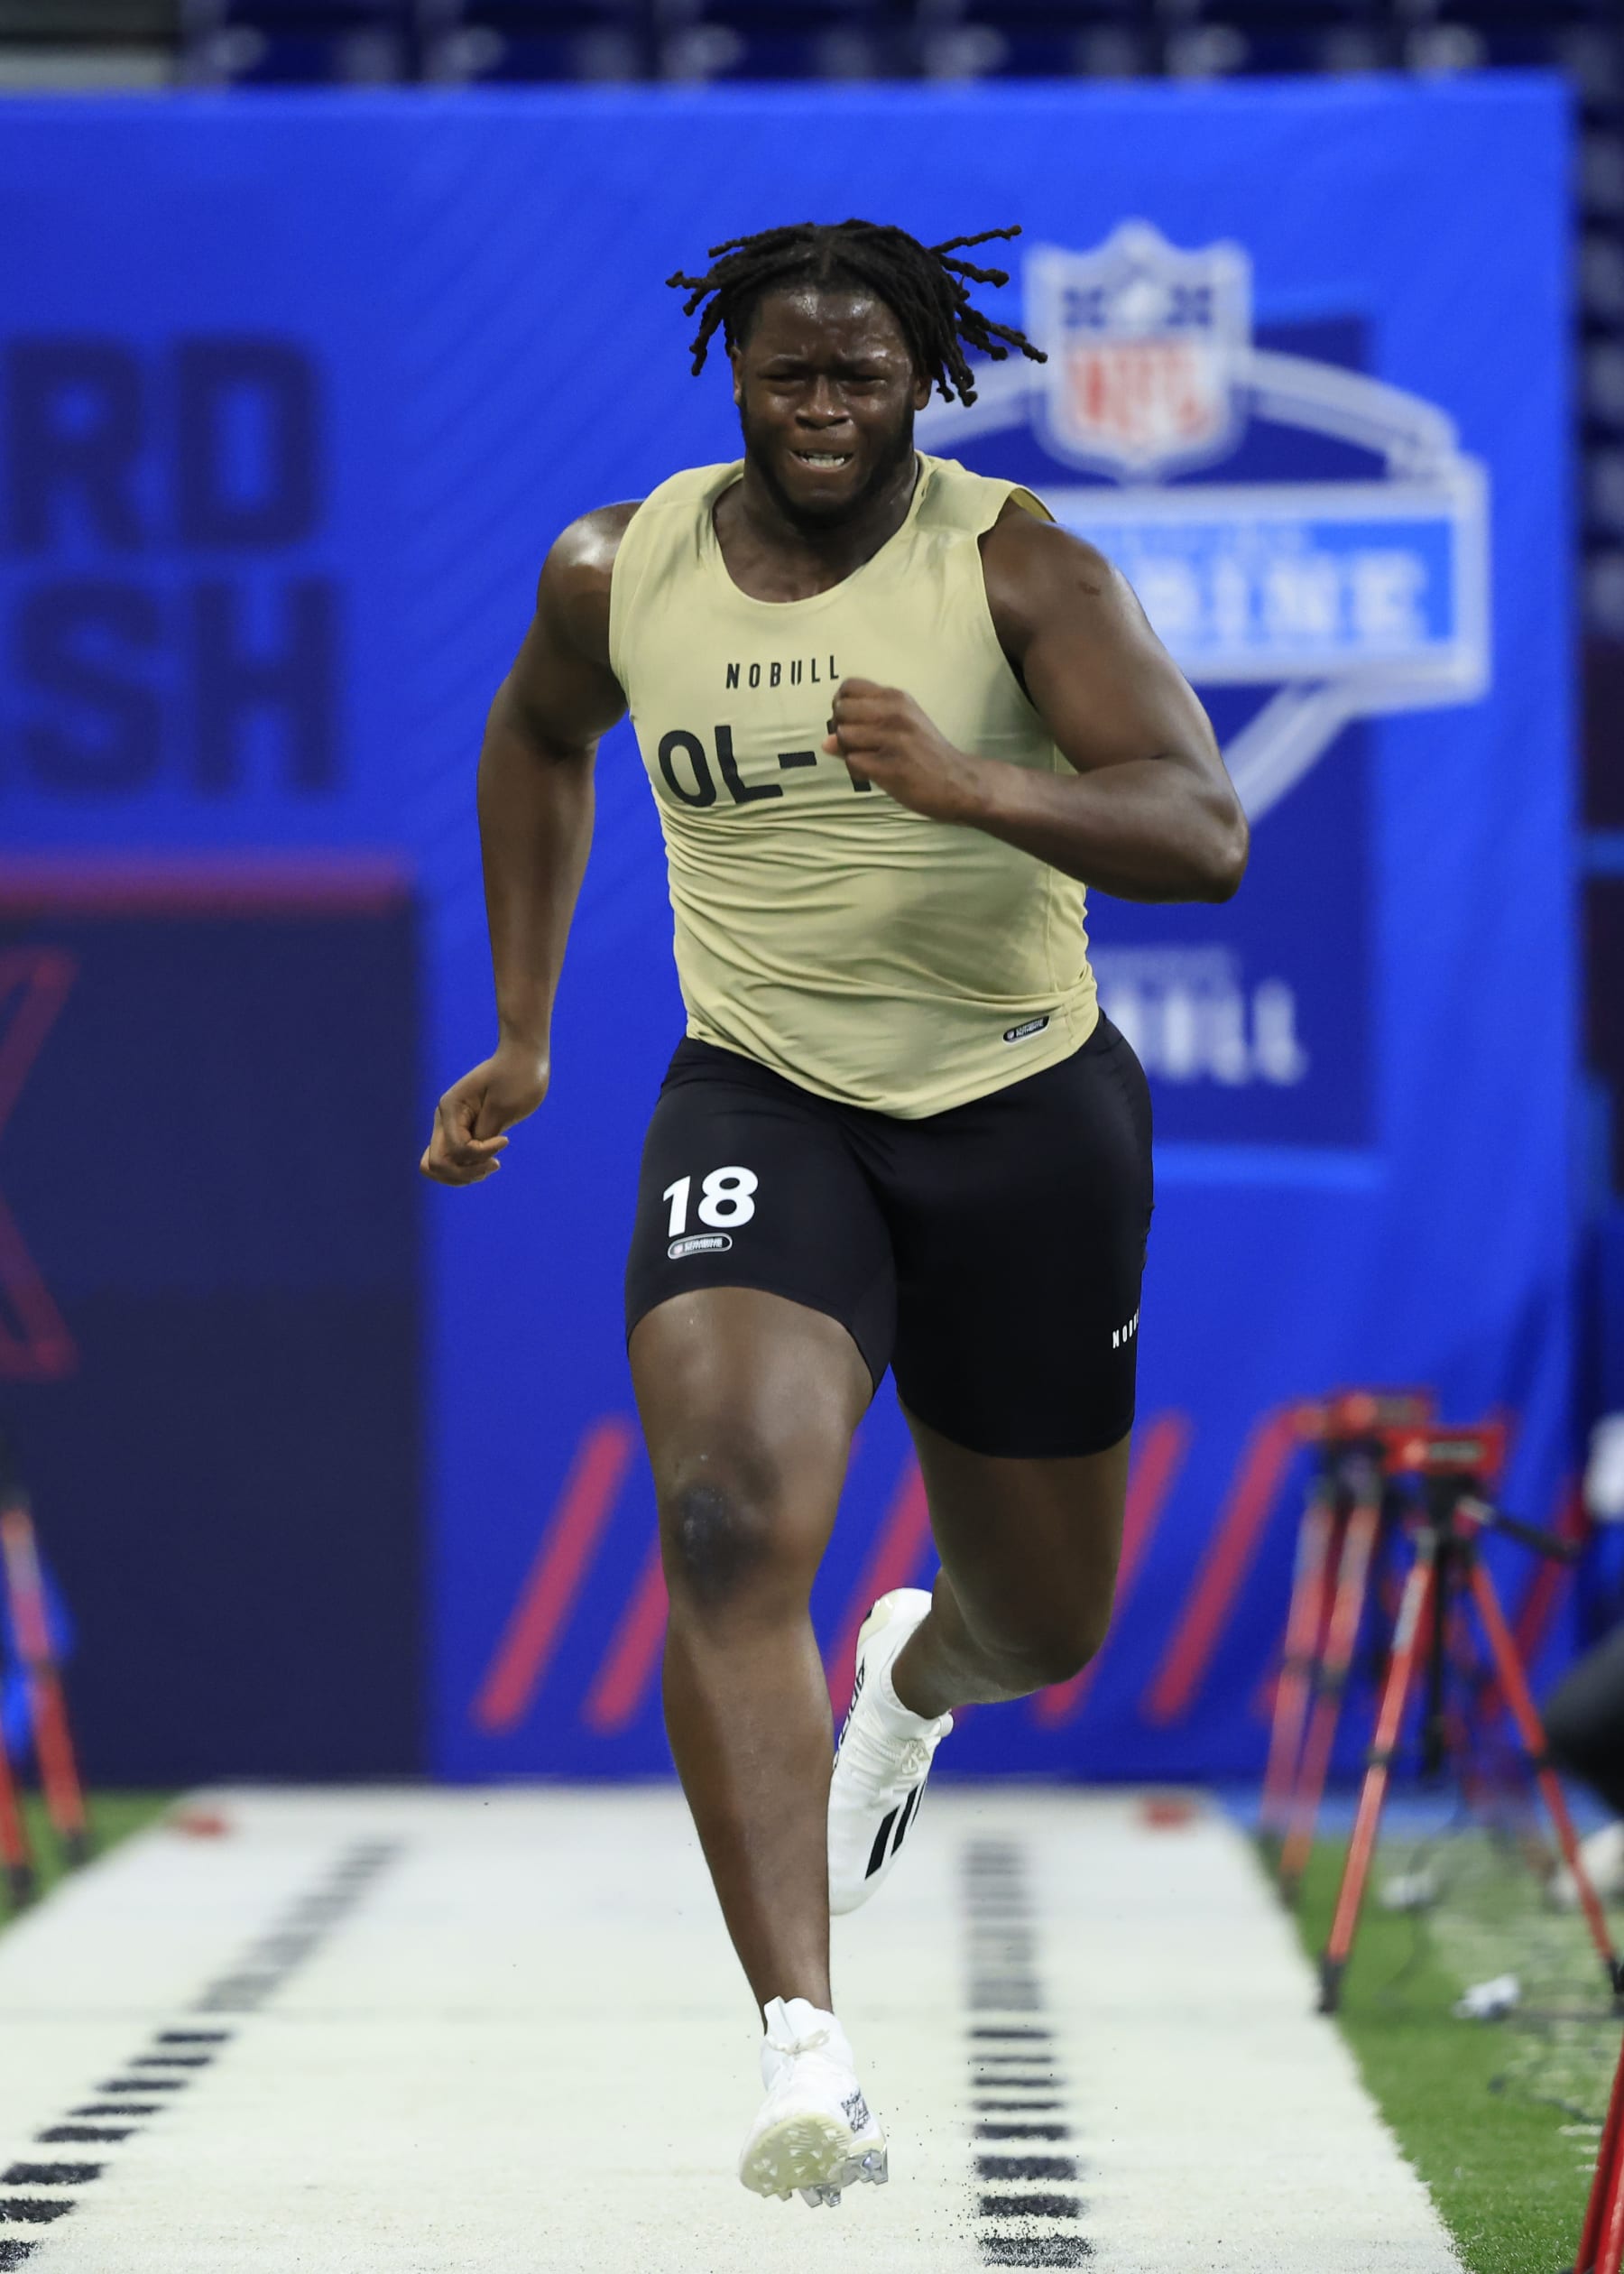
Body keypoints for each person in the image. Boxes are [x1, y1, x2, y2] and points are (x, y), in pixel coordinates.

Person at [420, 217, 1248, 2210]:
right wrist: (528, 1037)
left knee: (1045, 1624)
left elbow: (1202, 831)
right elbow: (539, 739)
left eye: (857, 380)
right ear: (736, 381)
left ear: (918, 387)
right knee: (719, 1516)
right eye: (786, 377)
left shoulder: (1016, 563)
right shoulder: (622, 566)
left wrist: (977, 791)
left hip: (1025, 1112)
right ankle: (806, 2048)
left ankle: (917, 1679)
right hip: (764, 1097)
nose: (819, 410)